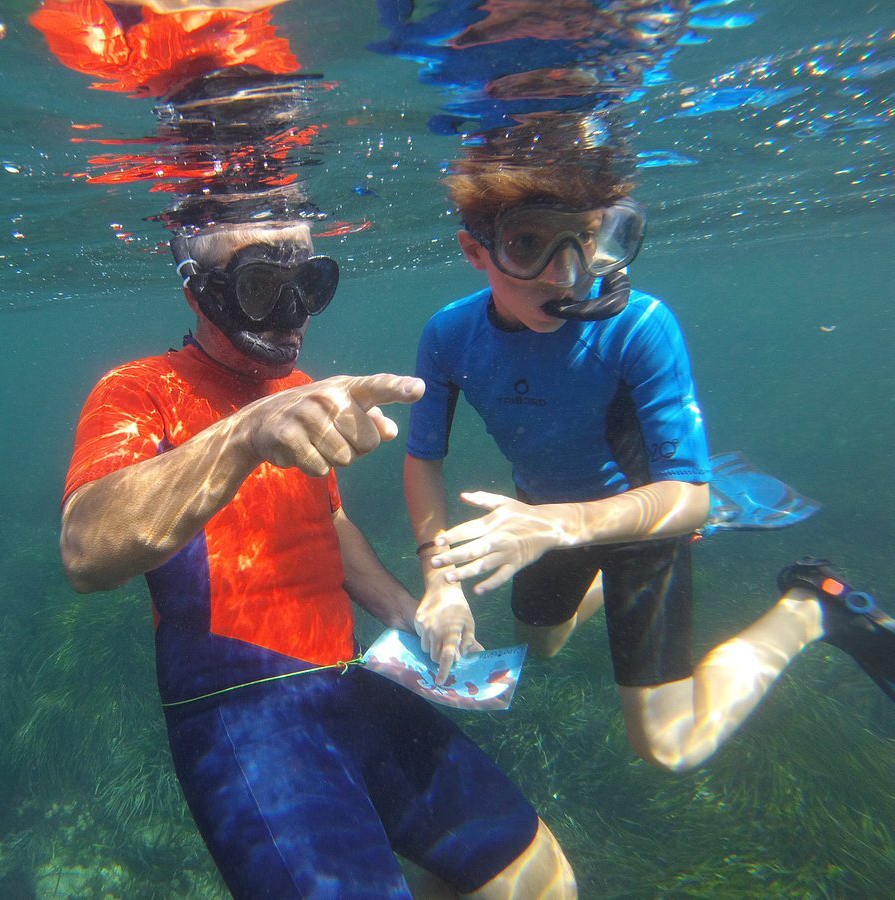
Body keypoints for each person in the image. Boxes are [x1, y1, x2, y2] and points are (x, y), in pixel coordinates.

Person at [60, 218, 577, 898]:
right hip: (241, 717)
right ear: (197, 293)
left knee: (542, 882)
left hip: (350, 683)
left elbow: (324, 524)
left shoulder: (300, 388)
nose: (291, 311)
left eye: (308, 284)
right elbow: (86, 551)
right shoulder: (139, 389)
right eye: (259, 286)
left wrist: (409, 609)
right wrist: (244, 435)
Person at [404, 147, 895, 773]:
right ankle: (607, 571)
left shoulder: (640, 324)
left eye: (583, 241)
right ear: (476, 252)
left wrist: (562, 526)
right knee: (542, 643)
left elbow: (688, 496)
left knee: (670, 747)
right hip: (538, 520)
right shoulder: (447, 333)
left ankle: (810, 608)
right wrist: (439, 582)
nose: (564, 276)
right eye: (528, 245)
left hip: (645, 521)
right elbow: (424, 460)